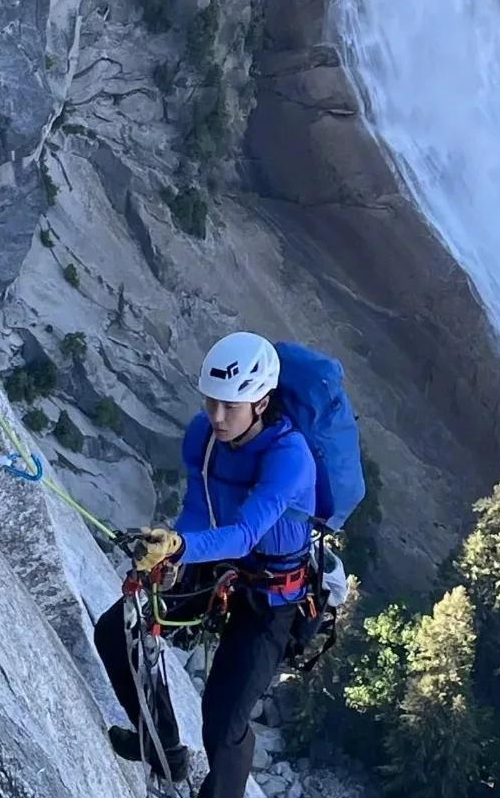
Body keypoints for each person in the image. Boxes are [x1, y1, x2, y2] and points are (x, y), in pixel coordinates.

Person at [94, 331, 317, 798]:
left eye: (229, 406)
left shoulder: (289, 457)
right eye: (211, 401)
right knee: (117, 630)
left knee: (223, 721)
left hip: (272, 593)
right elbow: (200, 507)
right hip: (217, 562)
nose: (217, 416)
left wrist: (180, 548)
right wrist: (175, 553)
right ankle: (162, 747)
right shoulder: (205, 435)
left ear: (261, 403)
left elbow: (246, 533)